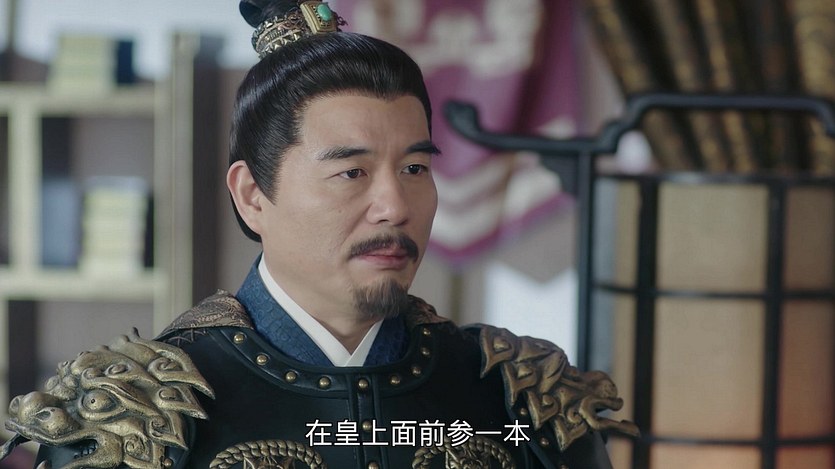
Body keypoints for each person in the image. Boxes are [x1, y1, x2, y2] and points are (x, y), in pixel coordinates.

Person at [0, 1, 637, 468]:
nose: (395, 206)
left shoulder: (518, 404)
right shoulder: (133, 420)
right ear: (253, 194)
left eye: (415, 169)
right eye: (351, 172)